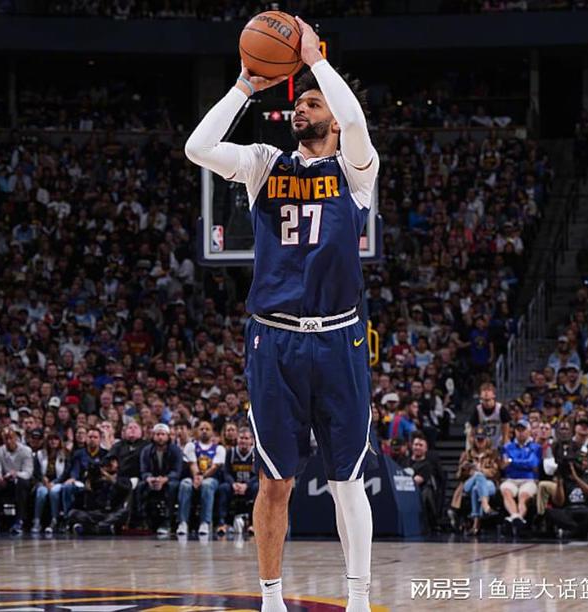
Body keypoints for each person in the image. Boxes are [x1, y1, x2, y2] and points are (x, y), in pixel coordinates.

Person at [185, 17, 378, 612]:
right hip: (274, 339)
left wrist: (316, 60)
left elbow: (355, 123)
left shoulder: (356, 171)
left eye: (312, 103)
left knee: (347, 480)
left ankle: (358, 600)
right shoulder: (265, 164)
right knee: (275, 480)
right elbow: (197, 147)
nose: (301, 108)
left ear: (332, 117)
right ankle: (271, 599)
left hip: (339, 337)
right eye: (298, 102)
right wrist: (245, 85)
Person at [546, 449, 588, 539]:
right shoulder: (565, 479)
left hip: (587, 510)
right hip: (569, 512)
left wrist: (576, 478)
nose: (584, 463)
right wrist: (559, 483)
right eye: (582, 461)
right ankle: (581, 531)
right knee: (550, 512)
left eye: (586, 461)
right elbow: (559, 502)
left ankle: (573, 532)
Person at [454, 426, 500, 535]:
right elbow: (458, 476)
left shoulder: (493, 454)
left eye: (482, 439)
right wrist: (465, 470)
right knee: (477, 477)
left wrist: (481, 470)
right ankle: (486, 506)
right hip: (469, 483)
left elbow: (495, 473)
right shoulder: (467, 454)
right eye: (478, 439)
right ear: (474, 440)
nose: (480, 442)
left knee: (477, 488)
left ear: (487, 440)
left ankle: (475, 526)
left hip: (489, 483)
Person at [0, 428, 34, 534]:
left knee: (22, 483)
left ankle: (19, 520)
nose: (8, 441)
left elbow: (28, 473)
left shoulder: (26, 451)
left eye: (11, 438)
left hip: (20, 481)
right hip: (5, 480)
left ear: (16, 438)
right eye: (6, 439)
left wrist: (16, 474)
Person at [138, 422, 182, 536]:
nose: (160, 437)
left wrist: (164, 479)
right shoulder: (146, 450)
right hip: (152, 479)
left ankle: (167, 521)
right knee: (140, 486)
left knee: (172, 487)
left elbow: (177, 471)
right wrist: (149, 478)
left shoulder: (175, 450)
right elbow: (143, 470)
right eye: (158, 434)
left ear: (168, 436)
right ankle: (143, 520)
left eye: (163, 434)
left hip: (169, 480)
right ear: (153, 436)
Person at [499, 419, 541, 531]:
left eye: (523, 430)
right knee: (506, 491)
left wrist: (512, 461)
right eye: (518, 430)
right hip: (511, 478)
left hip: (528, 479)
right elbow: (504, 465)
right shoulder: (507, 447)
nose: (520, 432)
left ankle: (517, 517)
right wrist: (522, 463)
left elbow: (532, 463)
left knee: (523, 496)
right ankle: (516, 517)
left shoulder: (536, 447)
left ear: (529, 431)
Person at [216, 425, 258, 536]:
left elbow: (259, 475)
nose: (243, 441)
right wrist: (233, 484)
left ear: (252, 441)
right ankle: (222, 523)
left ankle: (253, 524)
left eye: (246, 438)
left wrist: (247, 485)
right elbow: (226, 472)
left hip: (249, 486)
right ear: (237, 439)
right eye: (241, 438)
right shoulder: (231, 452)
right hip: (234, 485)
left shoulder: (255, 453)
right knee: (223, 488)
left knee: (257, 488)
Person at [32, 432, 69, 534]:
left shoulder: (65, 454)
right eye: (51, 439)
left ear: (59, 441)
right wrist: (42, 478)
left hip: (59, 482)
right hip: (43, 482)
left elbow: (66, 473)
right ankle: (37, 520)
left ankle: (54, 519)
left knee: (54, 492)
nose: (53, 442)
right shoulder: (40, 454)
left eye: (56, 439)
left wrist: (55, 482)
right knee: (41, 492)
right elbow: (36, 471)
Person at [194, 419, 225, 535]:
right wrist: (196, 477)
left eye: (207, 429)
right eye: (201, 429)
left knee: (207, 484)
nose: (204, 431)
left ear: (212, 432)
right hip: (194, 478)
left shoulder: (219, 448)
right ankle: (182, 522)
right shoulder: (191, 446)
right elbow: (192, 464)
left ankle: (205, 522)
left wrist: (201, 477)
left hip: (212, 479)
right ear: (197, 431)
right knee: (184, 485)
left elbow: (214, 467)